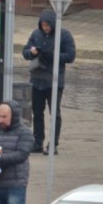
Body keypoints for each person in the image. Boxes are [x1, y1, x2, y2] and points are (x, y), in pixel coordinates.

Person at [22, 9, 76, 155]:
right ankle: (38, 142)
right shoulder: (36, 34)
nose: (45, 28)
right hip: (36, 80)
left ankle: (53, 144)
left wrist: (52, 55)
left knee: (54, 113)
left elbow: (71, 56)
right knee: (37, 112)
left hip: (54, 82)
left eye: (48, 25)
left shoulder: (64, 35)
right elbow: (25, 52)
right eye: (43, 25)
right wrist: (31, 52)